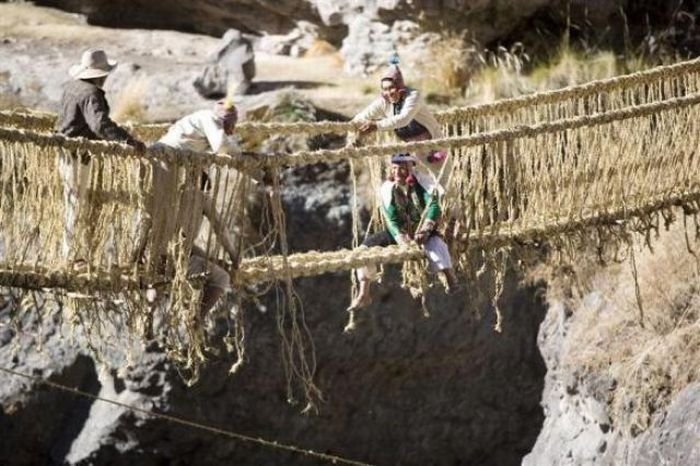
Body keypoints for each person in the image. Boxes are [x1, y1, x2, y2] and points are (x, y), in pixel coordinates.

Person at [137, 100, 244, 318]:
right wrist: (234, 259)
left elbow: (149, 227)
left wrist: (134, 258)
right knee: (221, 278)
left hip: (152, 257)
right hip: (173, 261)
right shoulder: (201, 200)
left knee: (157, 277)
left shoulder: (169, 198)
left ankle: (148, 310)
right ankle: (196, 319)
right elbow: (221, 231)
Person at [345, 153, 459, 329]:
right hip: (399, 232)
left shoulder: (422, 184)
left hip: (421, 229)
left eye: (403, 169)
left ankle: (450, 277)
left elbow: (434, 206)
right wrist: (400, 237)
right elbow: (390, 218)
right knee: (364, 250)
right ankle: (364, 291)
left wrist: (426, 228)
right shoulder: (388, 189)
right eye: (396, 169)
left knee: (436, 245)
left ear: (411, 169)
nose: (399, 172)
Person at [55, 48, 145, 262]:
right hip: (78, 153)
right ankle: (73, 257)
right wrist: (128, 140)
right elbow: (99, 124)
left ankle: (73, 253)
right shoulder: (92, 94)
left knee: (73, 200)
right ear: (101, 75)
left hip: (65, 150)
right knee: (76, 202)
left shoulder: (71, 88)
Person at [352, 57, 451, 193]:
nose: (389, 93)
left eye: (392, 88)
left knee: (444, 189)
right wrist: (355, 133)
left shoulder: (413, 96)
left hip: (434, 148)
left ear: (400, 87)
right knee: (421, 190)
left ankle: (450, 213)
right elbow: (361, 117)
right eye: (385, 89)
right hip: (413, 152)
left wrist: (376, 125)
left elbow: (403, 119)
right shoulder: (383, 102)